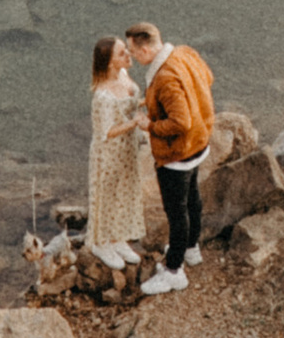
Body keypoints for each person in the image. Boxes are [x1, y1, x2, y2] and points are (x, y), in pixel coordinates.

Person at [126, 20, 213, 295]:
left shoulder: (163, 78)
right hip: (199, 143)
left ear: (146, 48)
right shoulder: (183, 53)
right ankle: (191, 248)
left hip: (178, 154)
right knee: (193, 198)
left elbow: (180, 122)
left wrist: (149, 125)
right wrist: (154, 102)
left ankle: (174, 270)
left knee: (177, 212)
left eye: (134, 51)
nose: (132, 57)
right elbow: (207, 78)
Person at [86, 35, 157, 269]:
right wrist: (136, 123)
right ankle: (100, 242)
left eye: (127, 50)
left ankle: (118, 238)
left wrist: (150, 101)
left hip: (127, 148)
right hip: (108, 152)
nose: (129, 54)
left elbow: (129, 104)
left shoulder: (124, 76)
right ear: (109, 63)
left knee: (125, 193)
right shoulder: (102, 95)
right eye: (122, 54)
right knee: (107, 197)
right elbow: (107, 131)